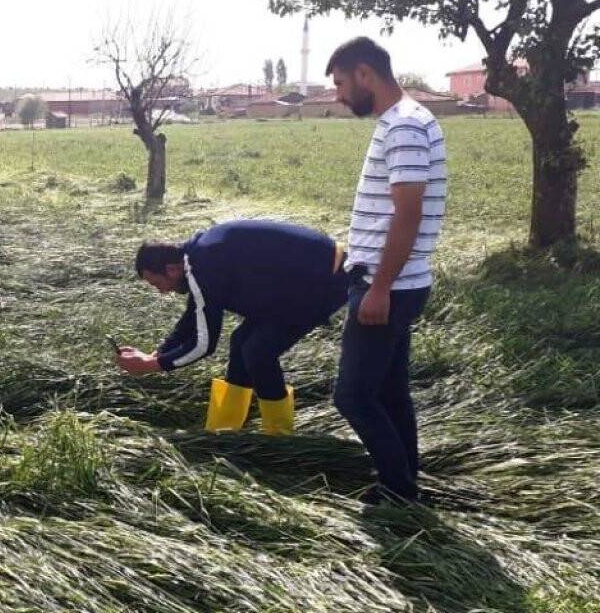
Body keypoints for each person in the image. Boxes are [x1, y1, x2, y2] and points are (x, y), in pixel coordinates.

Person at [326, 37, 447, 504]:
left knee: (353, 397)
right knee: (391, 392)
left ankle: (398, 491)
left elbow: (408, 213)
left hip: (389, 285)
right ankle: (404, 479)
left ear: (364, 74)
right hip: (394, 279)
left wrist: (379, 288)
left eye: (340, 83)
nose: (337, 96)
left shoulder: (405, 126)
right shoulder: (402, 122)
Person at [115, 219, 350, 435]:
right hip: (301, 280)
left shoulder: (204, 266)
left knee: (258, 351)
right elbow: (194, 314)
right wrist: (161, 351)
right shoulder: (199, 257)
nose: (162, 291)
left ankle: (280, 438)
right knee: (241, 342)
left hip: (326, 279)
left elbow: (204, 345)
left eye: (158, 284)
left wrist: (153, 365)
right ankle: (224, 430)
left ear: (171, 269)